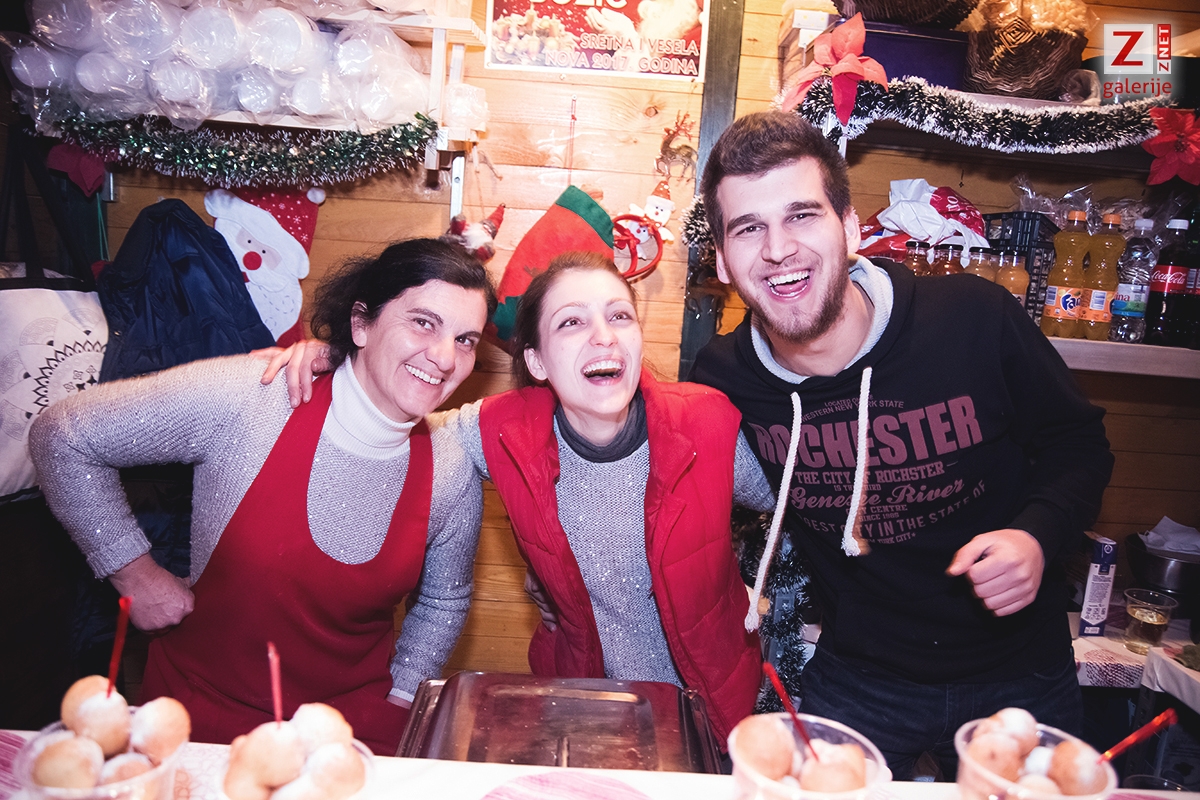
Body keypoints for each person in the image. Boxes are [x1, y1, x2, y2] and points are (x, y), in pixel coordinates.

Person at [689, 111, 1114, 779]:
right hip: (860, 677)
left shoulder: (973, 318)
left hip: (1019, 672)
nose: (777, 249)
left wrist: (1037, 533)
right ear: (721, 259)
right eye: (748, 228)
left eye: (802, 215)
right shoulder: (724, 378)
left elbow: (1079, 443)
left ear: (850, 228)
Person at [265, 252, 778, 745]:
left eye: (619, 316)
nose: (604, 336)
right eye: (571, 322)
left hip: (712, 713)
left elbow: (793, 504)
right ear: (536, 361)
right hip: (582, 704)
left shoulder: (708, 422)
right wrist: (339, 361)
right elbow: (399, 415)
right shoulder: (501, 430)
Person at [29, 238, 496, 756]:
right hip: (199, 723)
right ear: (361, 324)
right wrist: (132, 572)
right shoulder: (251, 396)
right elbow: (62, 436)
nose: (444, 357)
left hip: (346, 733)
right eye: (423, 322)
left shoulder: (449, 466)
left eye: (465, 339)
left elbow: (444, 599)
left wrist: (403, 694)